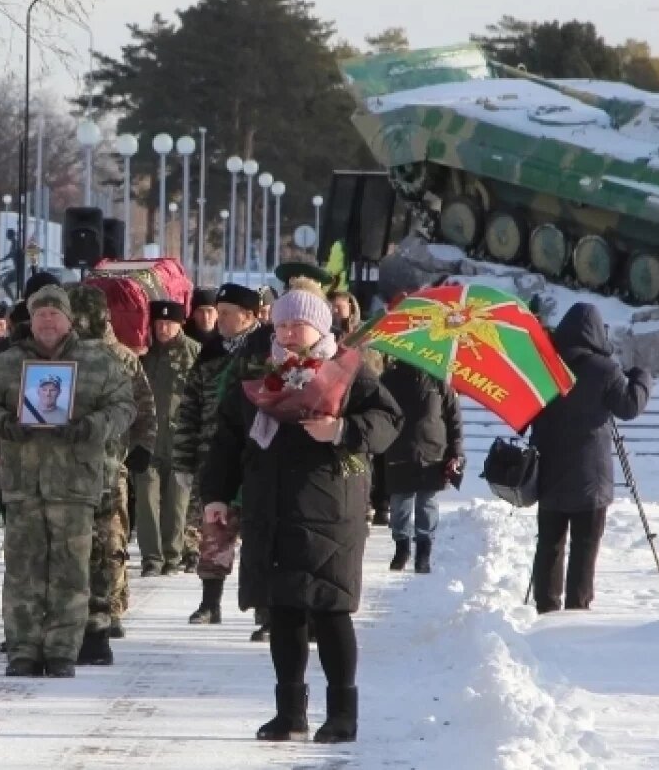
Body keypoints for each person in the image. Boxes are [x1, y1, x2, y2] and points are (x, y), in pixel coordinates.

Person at [200, 280, 402, 743]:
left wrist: (340, 430)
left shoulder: (348, 370)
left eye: (300, 324)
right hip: (270, 510)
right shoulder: (258, 372)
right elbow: (227, 440)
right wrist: (216, 494)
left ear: (321, 328)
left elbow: (389, 421)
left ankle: (342, 713)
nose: (290, 332)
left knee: (330, 611)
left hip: (330, 511)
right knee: (284, 612)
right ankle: (289, 712)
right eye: (284, 322)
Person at [0, 284, 136, 678]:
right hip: (23, 483)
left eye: (54, 314)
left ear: (68, 320)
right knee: (23, 570)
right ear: (32, 319)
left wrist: (93, 426)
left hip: (74, 483)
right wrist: (3, 424)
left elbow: (125, 405)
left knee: (70, 570)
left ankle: (63, 649)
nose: (47, 321)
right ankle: (23, 649)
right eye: (40, 314)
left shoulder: (98, 360)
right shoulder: (8, 363)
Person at [529, 302, 652, 614]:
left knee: (549, 544)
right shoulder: (605, 369)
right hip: (590, 478)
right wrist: (642, 378)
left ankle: (546, 604)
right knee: (585, 546)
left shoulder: (544, 366)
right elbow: (628, 408)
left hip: (549, 471)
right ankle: (577, 606)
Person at [67, 284, 158, 661]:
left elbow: (144, 405)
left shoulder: (122, 357)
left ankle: (111, 608)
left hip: (110, 461)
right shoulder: (59, 355)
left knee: (110, 539)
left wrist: (143, 447)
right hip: (68, 464)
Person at [171, 284, 265, 628]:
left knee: (259, 538)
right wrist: (183, 460)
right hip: (213, 459)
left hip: (257, 459)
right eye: (218, 311)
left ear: (250, 316)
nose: (219, 319)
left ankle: (266, 612)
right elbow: (189, 411)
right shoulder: (209, 354)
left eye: (227, 313)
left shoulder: (267, 352)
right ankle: (210, 602)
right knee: (213, 533)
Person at [380, 358, 464, 573]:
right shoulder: (390, 378)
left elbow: (454, 419)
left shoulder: (439, 380)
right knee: (400, 503)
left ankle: (423, 552)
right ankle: (402, 548)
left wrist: (456, 452)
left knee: (427, 504)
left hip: (433, 451)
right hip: (398, 449)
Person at [135, 300, 200, 576]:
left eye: (168, 324)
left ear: (180, 324)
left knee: (177, 501)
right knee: (146, 499)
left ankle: (173, 556)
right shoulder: (143, 352)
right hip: (146, 437)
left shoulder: (194, 352)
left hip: (180, 437)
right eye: (158, 324)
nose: (163, 329)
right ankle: (152, 557)